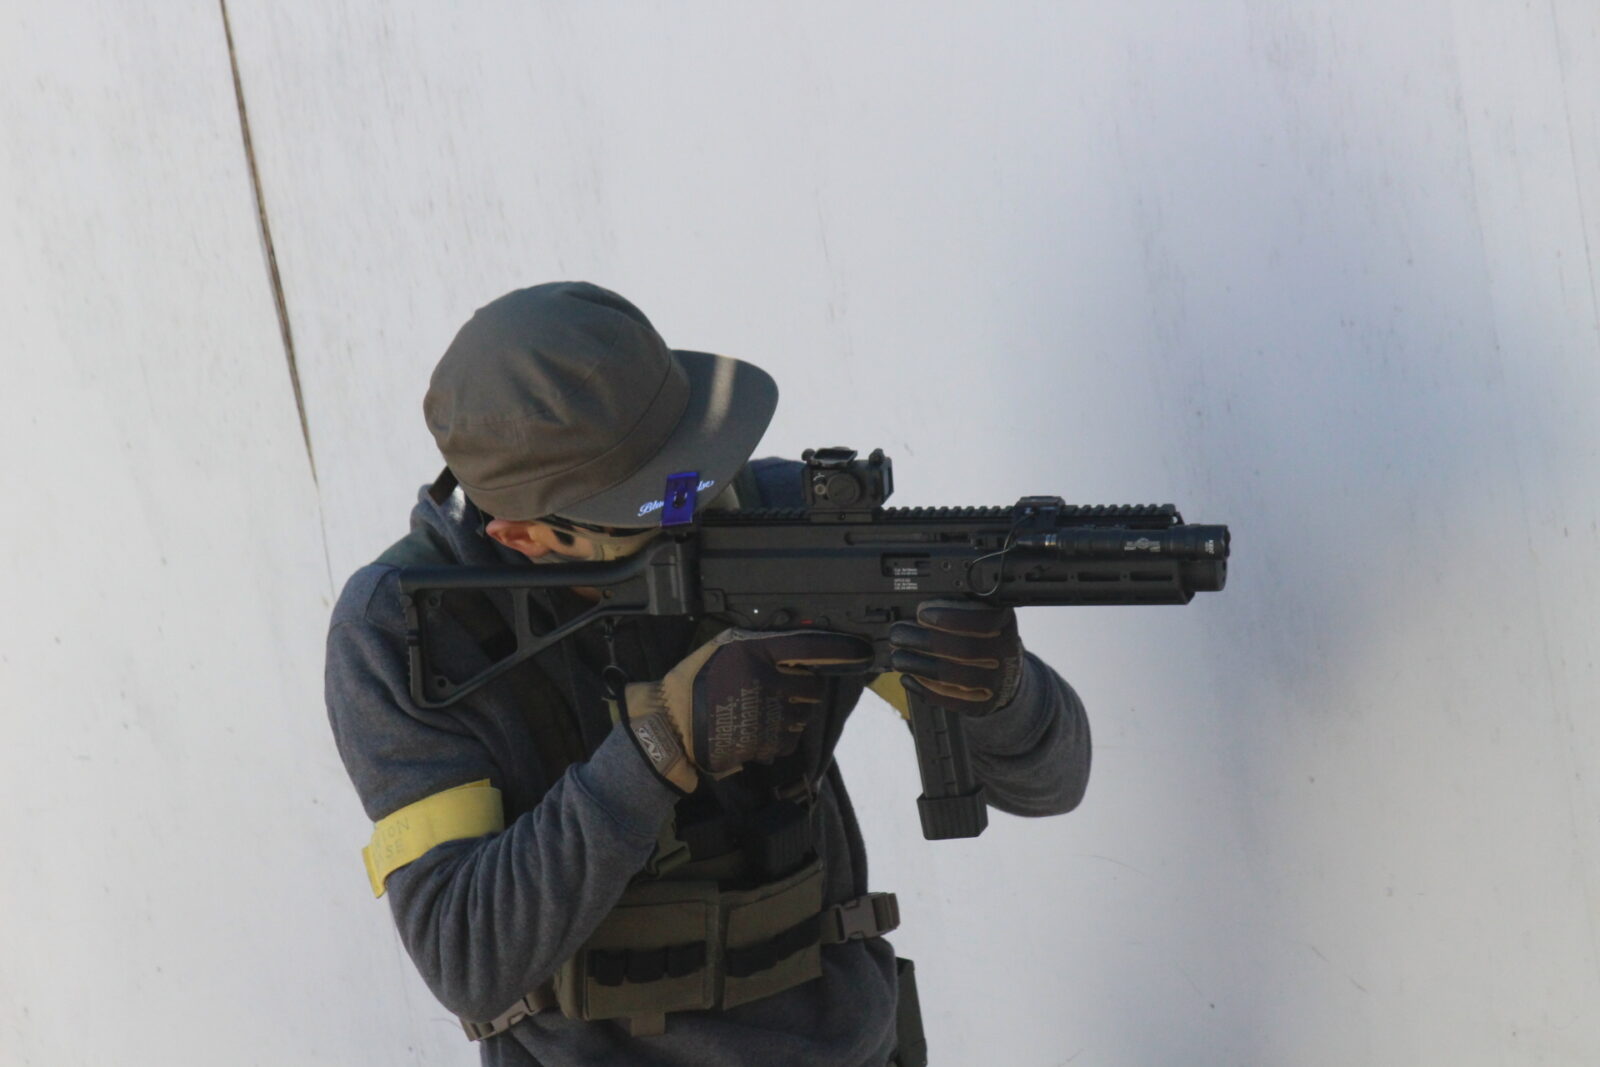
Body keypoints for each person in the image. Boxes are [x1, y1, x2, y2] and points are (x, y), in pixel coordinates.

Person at [324, 282, 1092, 1066]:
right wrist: (660, 743)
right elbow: (465, 957)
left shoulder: (775, 521)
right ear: (522, 535)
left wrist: (1002, 692)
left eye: (691, 469)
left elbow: (1051, 784)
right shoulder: (410, 628)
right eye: (650, 506)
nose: (694, 511)